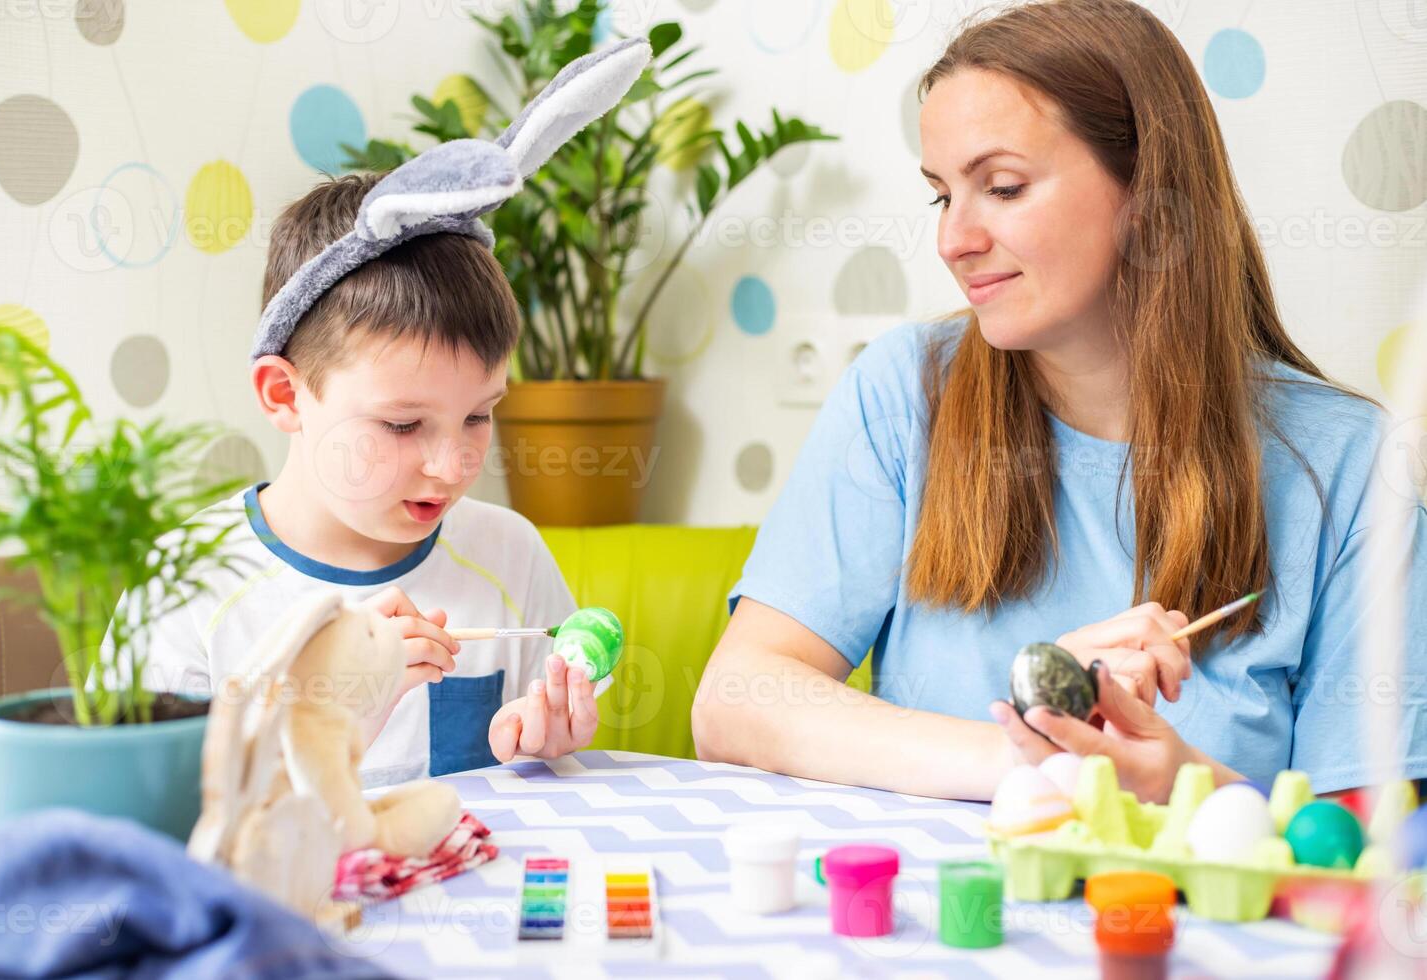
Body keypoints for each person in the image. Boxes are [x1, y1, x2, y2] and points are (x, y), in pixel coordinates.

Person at [692, 0, 1427, 803]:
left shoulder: (1347, 465)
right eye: (942, 195)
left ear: (1151, 205)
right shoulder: (904, 392)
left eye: (1002, 188)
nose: (953, 240)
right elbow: (737, 702)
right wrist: (1039, 752)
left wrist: (1186, 789)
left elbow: (1373, 853)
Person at [120, 172, 600, 786]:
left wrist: (547, 745)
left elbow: (542, 781)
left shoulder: (510, 555)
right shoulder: (187, 588)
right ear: (285, 394)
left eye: (479, 414)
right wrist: (329, 725)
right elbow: (150, 830)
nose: (452, 467)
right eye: (402, 425)